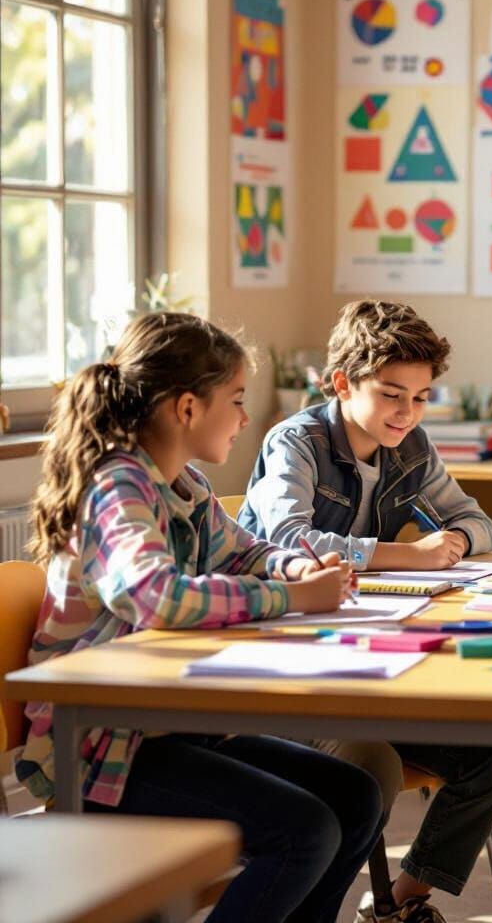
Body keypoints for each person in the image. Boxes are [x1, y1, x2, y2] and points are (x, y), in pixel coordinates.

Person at [17, 312, 382, 923]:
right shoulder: (117, 488)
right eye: (236, 400)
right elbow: (157, 597)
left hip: (163, 728)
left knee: (354, 796)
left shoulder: (181, 482)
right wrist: (294, 600)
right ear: (187, 408)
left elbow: (242, 550)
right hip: (98, 749)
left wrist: (295, 569)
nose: (245, 418)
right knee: (305, 830)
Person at [240, 299, 492, 923]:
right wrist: (407, 556)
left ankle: (398, 903)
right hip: (290, 672)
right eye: (393, 394)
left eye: (421, 398)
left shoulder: (412, 448)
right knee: (371, 765)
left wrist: (453, 542)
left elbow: (476, 520)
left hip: (369, 658)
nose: (407, 413)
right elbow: (288, 540)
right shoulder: (298, 442)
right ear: (342, 382)